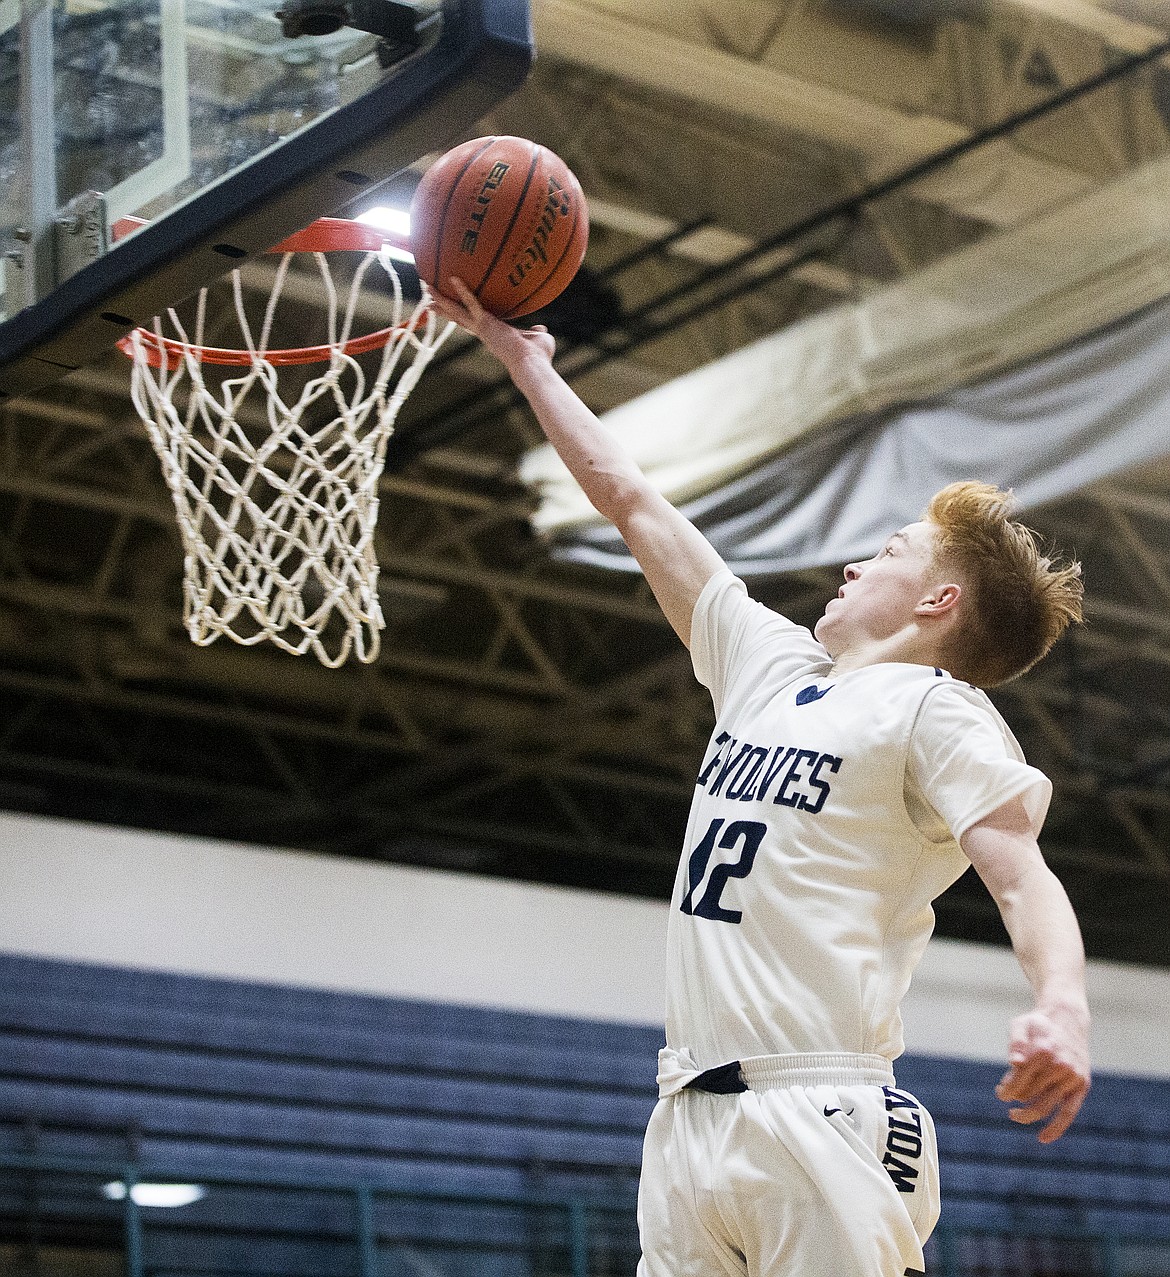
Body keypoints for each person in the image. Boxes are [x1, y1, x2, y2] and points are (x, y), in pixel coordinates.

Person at [431, 279, 1092, 1277]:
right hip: (688, 1113)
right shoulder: (765, 663)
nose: (853, 566)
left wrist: (1064, 1003)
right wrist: (527, 361)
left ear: (941, 599)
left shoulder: (934, 708)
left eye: (887, 551)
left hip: (818, 1101)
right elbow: (629, 495)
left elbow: (1020, 874)